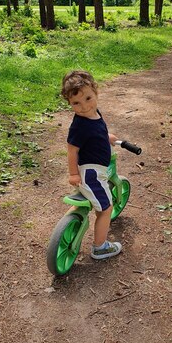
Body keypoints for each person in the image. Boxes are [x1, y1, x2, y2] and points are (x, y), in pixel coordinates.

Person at [61, 70, 122, 260]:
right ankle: (100, 247)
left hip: (95, 171)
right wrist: (73, 173)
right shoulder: (79, 125)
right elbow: (72, 150)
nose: (84, 106)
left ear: (96, 93)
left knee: (95, 201)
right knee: (105, 209)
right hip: (92, 174)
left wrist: (106, 137)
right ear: (70, 104)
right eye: (76, 103)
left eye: (88, 98)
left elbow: (97, 129)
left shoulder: (95, 114)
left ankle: (75, 220)